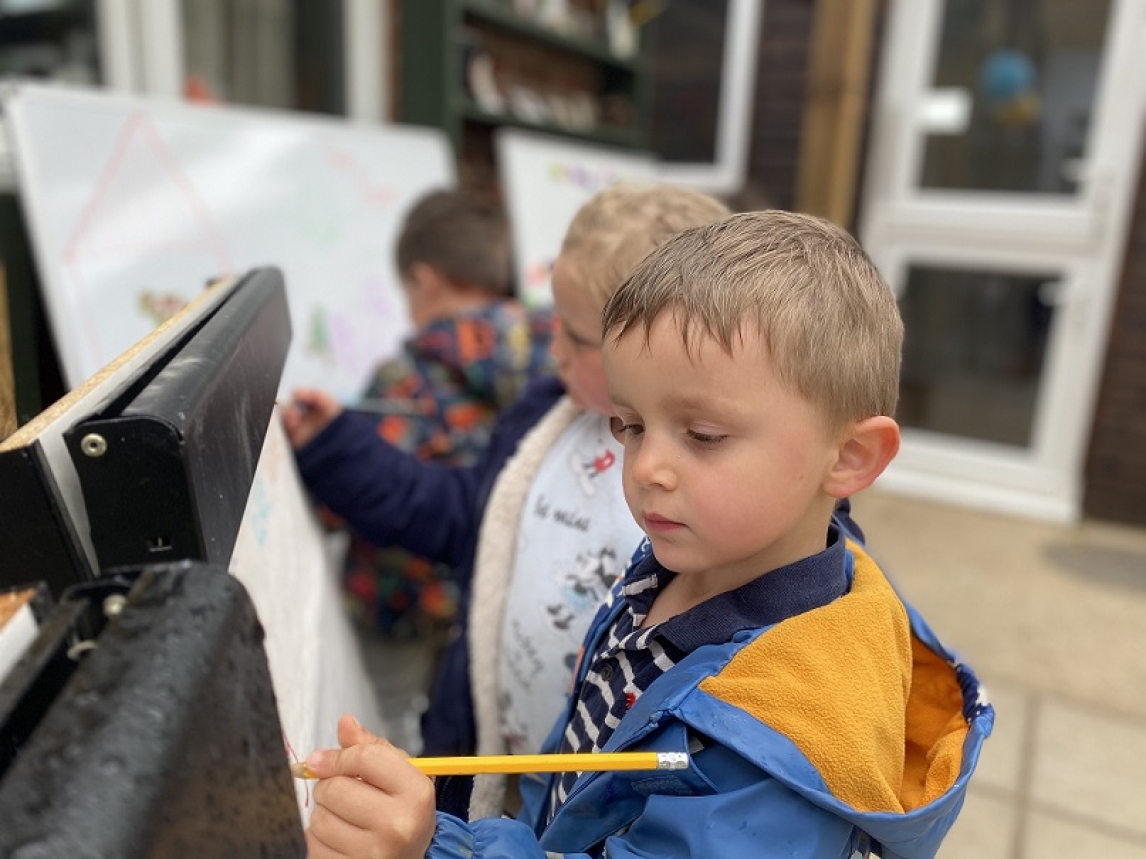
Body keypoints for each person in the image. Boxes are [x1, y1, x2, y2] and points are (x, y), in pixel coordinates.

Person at [298, 210, 994, 859]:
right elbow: (576, 765)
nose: (646, 467)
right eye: (629, 426)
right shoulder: (679, 562)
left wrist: (436, 845)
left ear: (848, 458)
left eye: (703, 434)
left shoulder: (783, 745)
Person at [283, 184, 732, 803]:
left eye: (572, 337)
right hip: (493, 767)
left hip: (607, 802)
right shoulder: (542, 418)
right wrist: (336, 445)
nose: (552, 351)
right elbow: (458, 516)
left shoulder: (718, 486)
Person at [312, 189, 553, 751]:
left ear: (424, 281)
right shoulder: (562, 355)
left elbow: (349, 497)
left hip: (401, 607)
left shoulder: (404, 382)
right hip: (504, 606)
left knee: (382, 726)